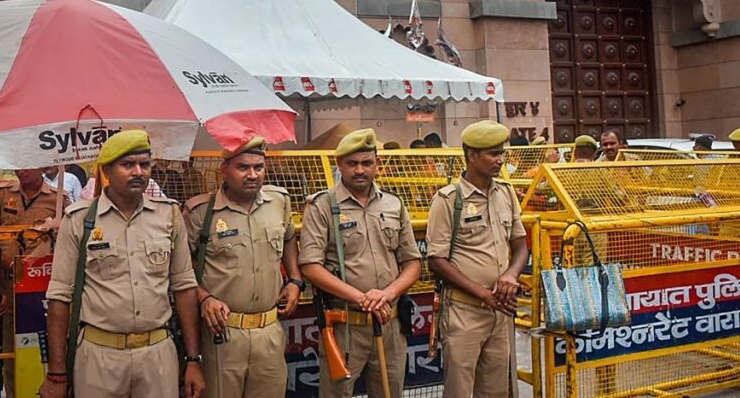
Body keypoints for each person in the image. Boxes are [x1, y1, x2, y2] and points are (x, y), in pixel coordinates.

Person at [40, 130, 204, 398]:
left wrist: (194, 360)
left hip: (158, 354)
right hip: (99, 356)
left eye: (144, 164)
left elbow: (184, 287)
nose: (138, 172)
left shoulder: (169, 215)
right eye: (127, 165)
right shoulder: (81, 220)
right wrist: (57, 373)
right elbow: (59, 296)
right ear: (107, 169)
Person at [300, 128, 422, 398]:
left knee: (390, 393)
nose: (360, 170)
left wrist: (387, 295)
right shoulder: (322, 206)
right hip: (345, 326)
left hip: (389, 323)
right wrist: (361, 297)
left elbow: (412, 263)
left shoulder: (393, 204)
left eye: (367, 163)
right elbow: (310, 265)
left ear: (378, 164)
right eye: (352, 163)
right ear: (339, 164)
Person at [183, 136, 302, 398]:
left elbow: (289, 237)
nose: (252, 175)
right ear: (224, 169)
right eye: (243, 167)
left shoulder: (278, 202)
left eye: (258, 167)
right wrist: (204, 297)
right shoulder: (201, 212)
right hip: (223, 335)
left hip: (269, 331)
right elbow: (180, 268)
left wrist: (294, 279)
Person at [426, 120, 528, 398]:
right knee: (460, 389)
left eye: (501, 153)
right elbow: (436, 259)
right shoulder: (448, 200)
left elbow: (521, 246)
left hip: (499, 312)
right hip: (464, 312)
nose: (500, 160)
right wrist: (482, 293)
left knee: (495, 390)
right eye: (493, 154)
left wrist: (511, 275)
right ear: (472, 156)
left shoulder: (505, 193)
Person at [0, 166, 62, 397]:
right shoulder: (0, 196)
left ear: (42, 166)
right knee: (11, 355)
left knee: (48, 352)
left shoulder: (58, 200)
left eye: (28, 164)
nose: (22, 170)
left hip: (44, 291)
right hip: (10, 291)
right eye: (18, 165)